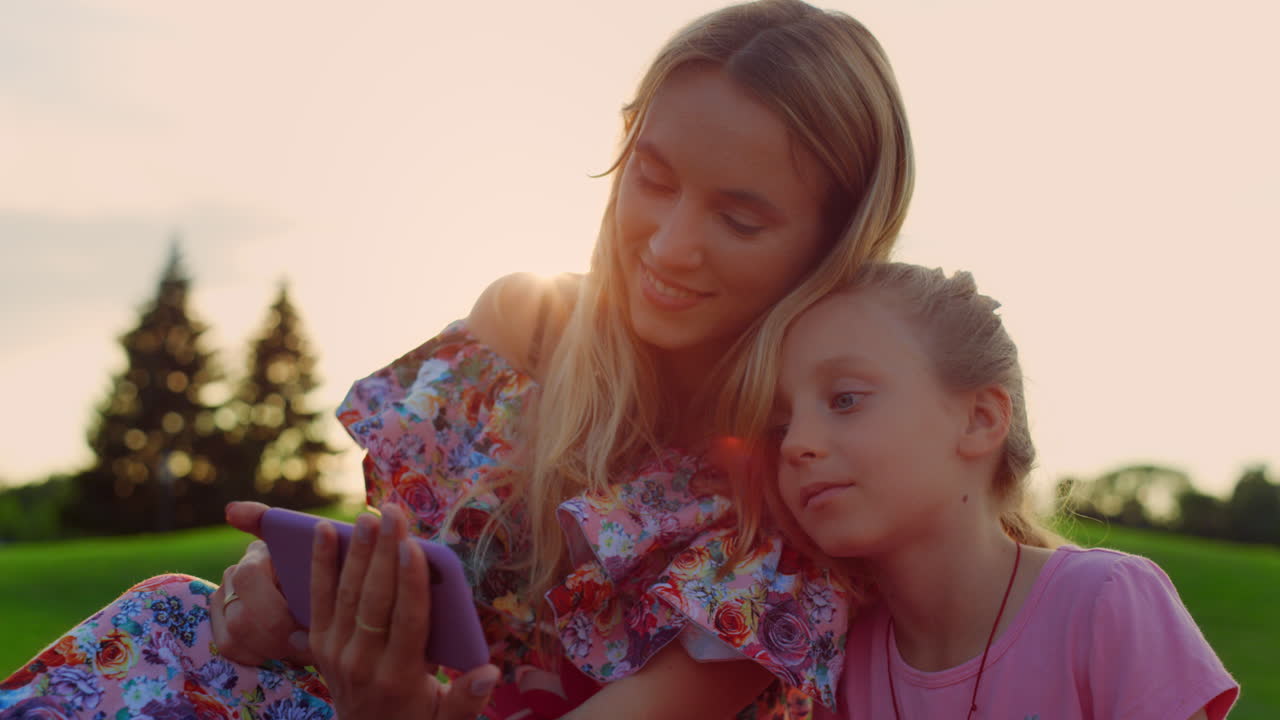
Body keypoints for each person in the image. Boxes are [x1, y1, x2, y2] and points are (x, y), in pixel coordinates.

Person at [0, 1, 914, 718]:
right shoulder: (527, 333)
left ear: (831, 247)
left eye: (739, 219)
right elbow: (395, 586)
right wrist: (281, 594)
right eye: (655, 177)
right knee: (172, 619)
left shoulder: (807, 483)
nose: (670, 245)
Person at [769, 262, 1240, 719]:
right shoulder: (840, 664)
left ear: (980, 419)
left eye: (845, 399)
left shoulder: (1103, 602)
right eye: (781, 424)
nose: (795, 444)